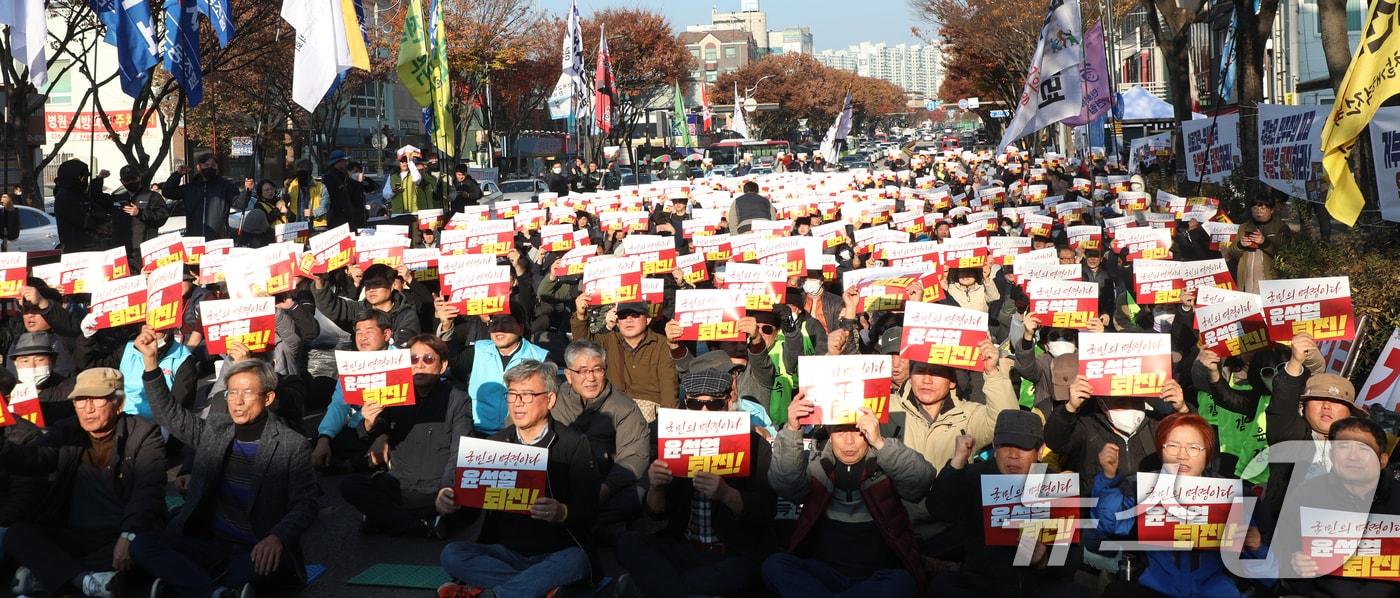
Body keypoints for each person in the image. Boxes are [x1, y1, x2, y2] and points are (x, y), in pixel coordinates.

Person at [131, 333, 320, 597]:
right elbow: (169, 415)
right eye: (232, 393)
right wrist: (150, 363)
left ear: (267, 399)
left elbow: (307, 503)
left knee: (263, 569)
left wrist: (277, 537)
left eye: (247, 393)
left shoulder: (291, 444)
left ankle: (191, 585)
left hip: (259, 546)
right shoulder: (217, 429)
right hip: (212, 543)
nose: (237, 401)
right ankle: (214, 592)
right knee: (143, 545)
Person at [435, 360, 599, 598]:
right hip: (504, 553)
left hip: (556, 551)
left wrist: (562, 512)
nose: (518, 403)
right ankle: (536, 587)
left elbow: (590, 510)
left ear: (551, 399)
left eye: (528, 395)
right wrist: (450, 503)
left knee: (575, 561)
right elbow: (471, 512)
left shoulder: (574, 444)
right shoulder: (493, 445)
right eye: (512, 395)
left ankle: (494, 594)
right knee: (452, 554)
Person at [0, 368, 167, 598]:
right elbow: (34, 459)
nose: (88, 409)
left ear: (118, 402)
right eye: (80, 400)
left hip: (118, 533)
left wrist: (128, 534)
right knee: (17, 535)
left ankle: (55, 576)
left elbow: (147, 490)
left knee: (140, 549)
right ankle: (86, 581)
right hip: (75, 533)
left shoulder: (144, 434)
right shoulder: (67, 430)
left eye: (97, 400)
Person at [615, 368, 777, 598]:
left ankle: (659, 588)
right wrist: (656, 487)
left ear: (729, 402)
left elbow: (766, 510)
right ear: (685, 404)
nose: (703, 412)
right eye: (694, 404)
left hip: (732, 552)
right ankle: (678, 589)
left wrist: (726, 494)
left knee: (746, 572)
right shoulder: (672, 440)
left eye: (713, 405)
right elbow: (656, 513)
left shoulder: (754, 444)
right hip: (684, 547)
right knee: (628, 543)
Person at [763, 395, 934, 597]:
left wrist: (879, 443)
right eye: (840, 432)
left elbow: (921, 482)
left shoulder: (886, 459)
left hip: (877, 575)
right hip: (825, 572)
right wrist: (792, 431)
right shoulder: (819, 467)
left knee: (902, 583)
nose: (849, 441)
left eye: (857, 431)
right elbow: (786, 486)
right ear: (828, 431)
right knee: (774, 566)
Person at [1093, 413, 1269, 597]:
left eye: (1193, 448)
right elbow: (1109, 525)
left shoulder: (1229, 494)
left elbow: (1267, 574)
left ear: (1207, 452)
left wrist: (1256, 547)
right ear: (1161, 451)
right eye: (1173, 446)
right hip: (1155, 589)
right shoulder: (1142, 488)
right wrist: (1108, 478)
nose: (1182, 455)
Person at [928, 410, 1093, 598]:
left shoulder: (1055, 486)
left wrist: (1044, 561)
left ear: (1039, 451)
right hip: (984, 584)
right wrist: (957, 462)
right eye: (1005, 446)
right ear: (994, 447)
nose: (1013, 455)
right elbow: (939, 509)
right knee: (942, 588)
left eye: (1023, 447)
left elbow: (1072, 558)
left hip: (1040, 585)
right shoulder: (975, 477)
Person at [341, 335, 473, 537]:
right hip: (399, 484)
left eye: (428, 359)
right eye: (413, 359)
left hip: (435, 488)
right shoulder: (394, 394)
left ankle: (385, 520)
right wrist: (369, 422)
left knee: (468, 500)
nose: (419, 365)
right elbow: (367, 436)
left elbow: (460, 451)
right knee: (350, 486)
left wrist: (446, 488)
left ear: (443, 365)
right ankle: (420, 527)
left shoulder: (458, 399)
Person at [551, 339, 649, 529]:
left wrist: (603, 491)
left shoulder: (624, 407)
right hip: (561, 482)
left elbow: (633, 457)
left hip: (603, 484)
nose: (591, 378)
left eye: (597, 369)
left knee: (638, 493)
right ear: (569, 375)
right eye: (582, 371)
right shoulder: (554, 399)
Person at [571, 299, 679, 413]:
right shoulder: (609, 340)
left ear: (648, 319)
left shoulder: (662, 344)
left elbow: (669, 388)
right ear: (617, 321)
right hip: (614, 407)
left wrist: (667, 420)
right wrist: (581, 315)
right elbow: (583, 345)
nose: (629, 320)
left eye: (635, 315)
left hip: (650, 410)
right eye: (623, 316)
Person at [452, 313, 551, 436]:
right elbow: (450, 363)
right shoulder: (478, 350)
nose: (499, 328)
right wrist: (446, 325)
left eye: (506, 322)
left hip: (520, 436)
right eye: (494, 322)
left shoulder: (540, 357)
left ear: (520, 328)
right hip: (476, 432)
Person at [311, 263, 422, 347]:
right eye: (368, 285)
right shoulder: (359, 309)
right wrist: (319, 279)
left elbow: (404, 349)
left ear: (392, 285)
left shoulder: (406, 314)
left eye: (377, 284)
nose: (371, 290)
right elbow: (331, 306)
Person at [97, 165, 169, 264]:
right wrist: (99, 179)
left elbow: (162, 217)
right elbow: (96, 199)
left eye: (133, 178)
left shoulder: (153, 196)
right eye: (127, 179)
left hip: (144, 250)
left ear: (139, 177)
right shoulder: (117, 198)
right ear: (121, 181)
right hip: (120, 251)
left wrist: (140, 213)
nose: (130, 182)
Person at [163, 153, 245, 239]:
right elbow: (167, 192)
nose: (210, 168)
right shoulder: (190, 188)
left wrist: (247, 190)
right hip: (194, 240)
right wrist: (177, 174)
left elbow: (240, 203)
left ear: (217, 167)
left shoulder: (225, 187)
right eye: (206, 165)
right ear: (199, 167)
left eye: (213, 165)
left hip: (218, 240)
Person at [7, 331, 78, 427]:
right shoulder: (7, 392)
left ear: (52, 361)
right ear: (15, 363)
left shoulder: (70, 390)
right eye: (25, 361)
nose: (32, 366)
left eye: (39, 360)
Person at [1223, 195, 1290, 294]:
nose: (1258, 211)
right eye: (1255, 208)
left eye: (1263, 208)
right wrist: (1240, 245)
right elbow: (1233, 254)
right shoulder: (1244, 227)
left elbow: (1285, 255)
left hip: (1270, 284)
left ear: (1271, 210)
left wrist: (1265, 243)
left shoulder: (1281, 228)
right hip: (1247, 285)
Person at [54, 158, 99, 250]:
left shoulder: (79, 194)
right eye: (82, 178)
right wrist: (95, 219)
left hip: (87, 246)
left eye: (86, 178)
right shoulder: (64, 196)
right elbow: (83, 221)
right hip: (75, 249)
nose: (84, 180)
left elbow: (96, 208)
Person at [386, 146, 439, 214]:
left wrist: (410, 160)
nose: (405, 163)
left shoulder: (414, 174)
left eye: (406, 161)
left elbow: (417, 178)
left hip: (413, 213)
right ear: (399, 163)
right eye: (402, 161)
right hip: (397, 213)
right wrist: (393, 192)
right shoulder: (392, 176)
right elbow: (385, 194)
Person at [322, 149, 366, 231]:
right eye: (344, 161)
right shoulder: (329, 177)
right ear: (337, 162)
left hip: (349, 218)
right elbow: (328, 199)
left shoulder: (344, 176)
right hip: (337, 219)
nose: (346, 163)